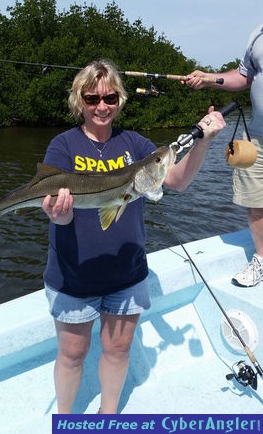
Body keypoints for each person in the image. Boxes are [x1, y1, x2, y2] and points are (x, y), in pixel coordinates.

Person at [41, 59, 226, 414]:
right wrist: (58, 216)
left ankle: (108, 416)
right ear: (79, 100)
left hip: (127, 274)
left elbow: (177, 181)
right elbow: (57, 218)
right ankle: (65, 420)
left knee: (118, 350)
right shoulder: (62, 146)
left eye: (110, 98)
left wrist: (205, 141)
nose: (101, 106)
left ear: (120, 100)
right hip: (73, 276)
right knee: (71, 354)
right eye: (92, 98)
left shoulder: (135, 144)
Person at [186, 23, 263, 288]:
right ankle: (262, 261)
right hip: (258, 138)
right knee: (256, 201)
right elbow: (244, 77)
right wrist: (209, 78)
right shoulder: (258, 34)